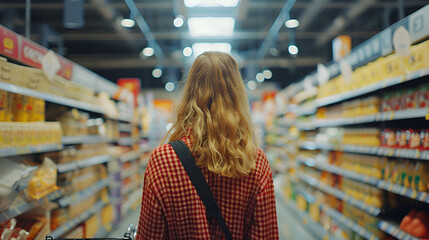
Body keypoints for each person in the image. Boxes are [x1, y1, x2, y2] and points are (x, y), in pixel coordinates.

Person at [136, 52, 279, 240]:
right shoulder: (255, 161)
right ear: (237, 95)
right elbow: (266, 236)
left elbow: (149, 236)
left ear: (189, 93)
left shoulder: (162, 159)